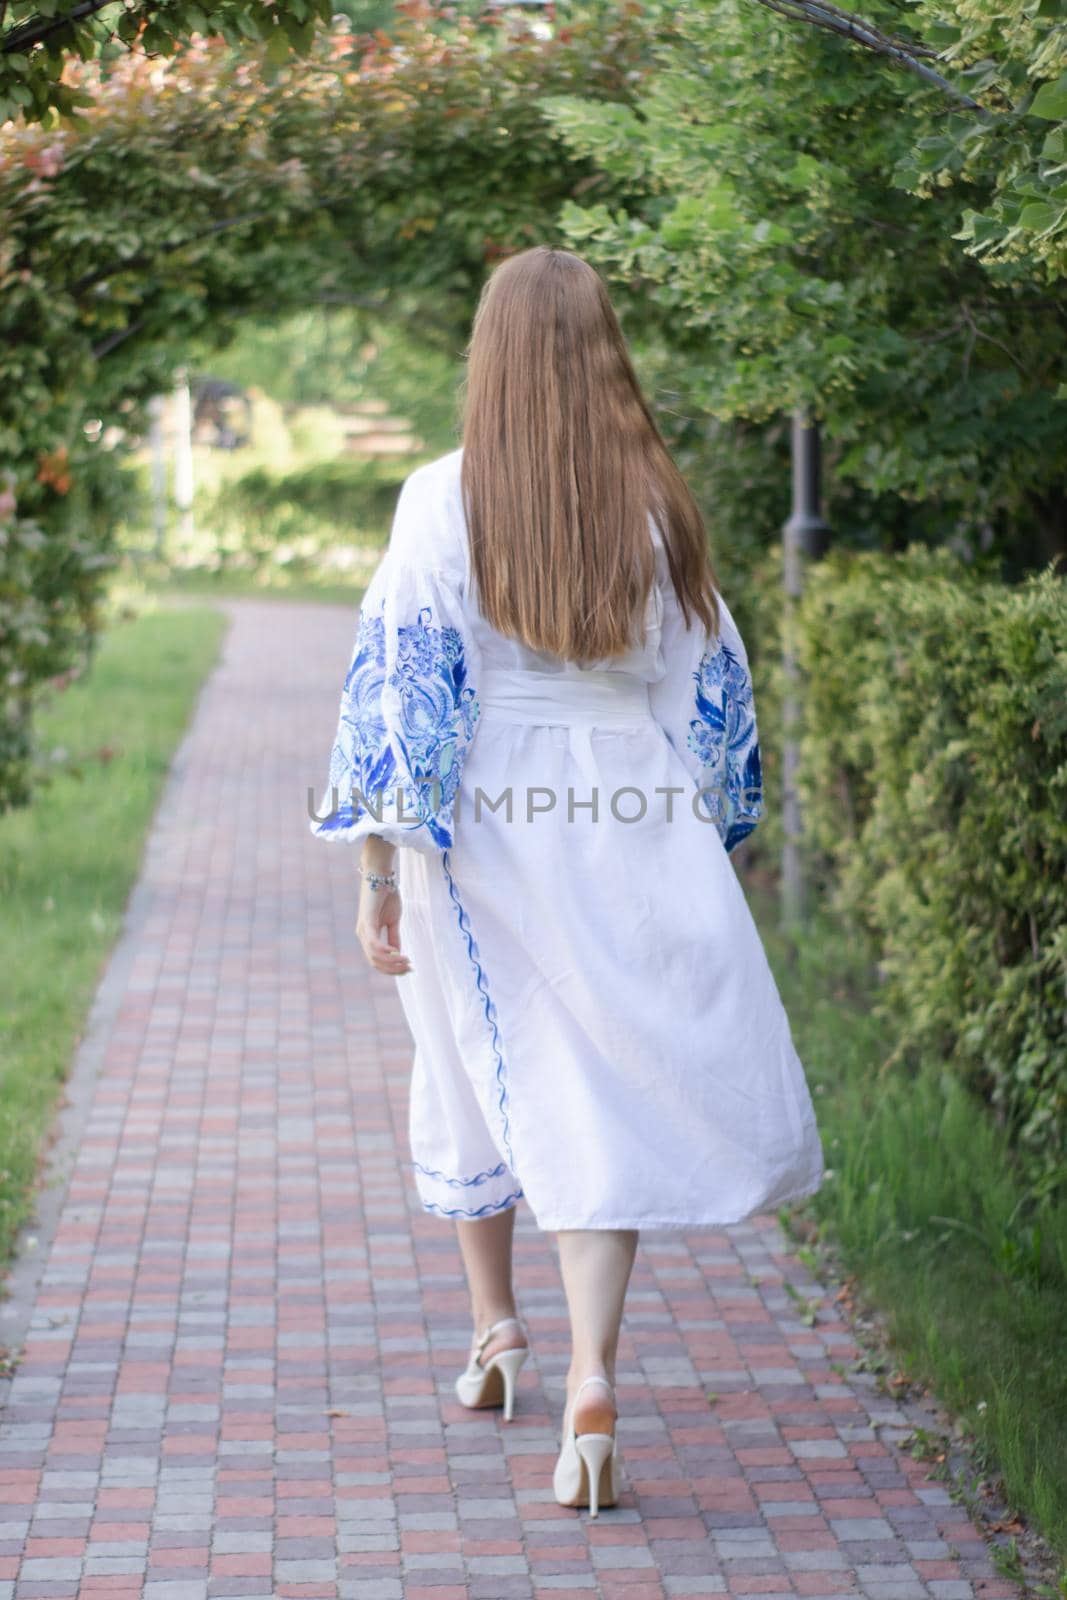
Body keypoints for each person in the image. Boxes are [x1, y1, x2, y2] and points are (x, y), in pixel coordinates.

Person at [308, 245, 825, 1518]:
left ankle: (496, 1332)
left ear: (487, 358)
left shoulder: (441, 497)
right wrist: (707, 837)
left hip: (488, 814)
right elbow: (706, 697)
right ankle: (591, 1374)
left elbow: (410, 686)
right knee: (590, 1089)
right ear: (604, 352)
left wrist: (380, 858)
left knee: (472, 1060)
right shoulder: (655, 508)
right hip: (628, 808)